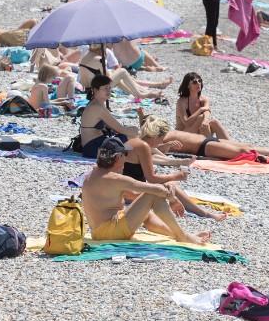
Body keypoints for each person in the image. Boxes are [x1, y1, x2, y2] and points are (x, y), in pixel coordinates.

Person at [81, 136, 211, 243]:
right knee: (152, 195)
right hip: (110, 233)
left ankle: (180, 234)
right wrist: (172, 199)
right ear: (117, 157)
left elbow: (134, 195)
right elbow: (154, 190)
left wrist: (164, 191)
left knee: (146, 211)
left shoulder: (92, 174)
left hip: (98, 232)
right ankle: (182, 236)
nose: (126, 158)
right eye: (124, 155)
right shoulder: (115, 179)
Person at [122, 116, 228, 221]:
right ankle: (204, 214)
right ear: (155, 136)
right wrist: (177, 176)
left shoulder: (133, 142)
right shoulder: (143, 147)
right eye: (161, 139)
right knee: (171, 185)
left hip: (122, 190)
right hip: (131, 194)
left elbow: (137, 168)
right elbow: (151, 178)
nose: (160, 142)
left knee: (170, 185)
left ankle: (200, 212)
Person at [78, 75, 139, 157]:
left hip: (92, 146)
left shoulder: (97, 104)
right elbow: (120, 129)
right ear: (95, 90)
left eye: (109, 88)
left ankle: (156, 155)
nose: (109, 91)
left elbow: (115, 127)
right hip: (93, 148)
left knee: (132, 141)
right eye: (105, 88)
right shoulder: (97, 107)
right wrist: (137, 132)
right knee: (131, 137)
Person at [78, 47, 170, 100]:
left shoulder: (86, 55)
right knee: (122, 71)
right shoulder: (99, 59)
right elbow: (108, 77)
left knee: (118, 78)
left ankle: (142, 93)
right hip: (95, 91)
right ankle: (140, 94)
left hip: (88, 89)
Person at [175, 72, 230, 140]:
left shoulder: (204, 99)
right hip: (182, 135)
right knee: (200, 118)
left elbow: (207, 112)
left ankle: (231, 145)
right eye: (195, 82)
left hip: (199, 131)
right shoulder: (181, 102)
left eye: (200, 81)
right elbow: (186, 123)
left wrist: (205, 121)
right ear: (188, 86)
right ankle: (211, 144)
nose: (198, 83)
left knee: (214, 122)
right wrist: (200, 110)